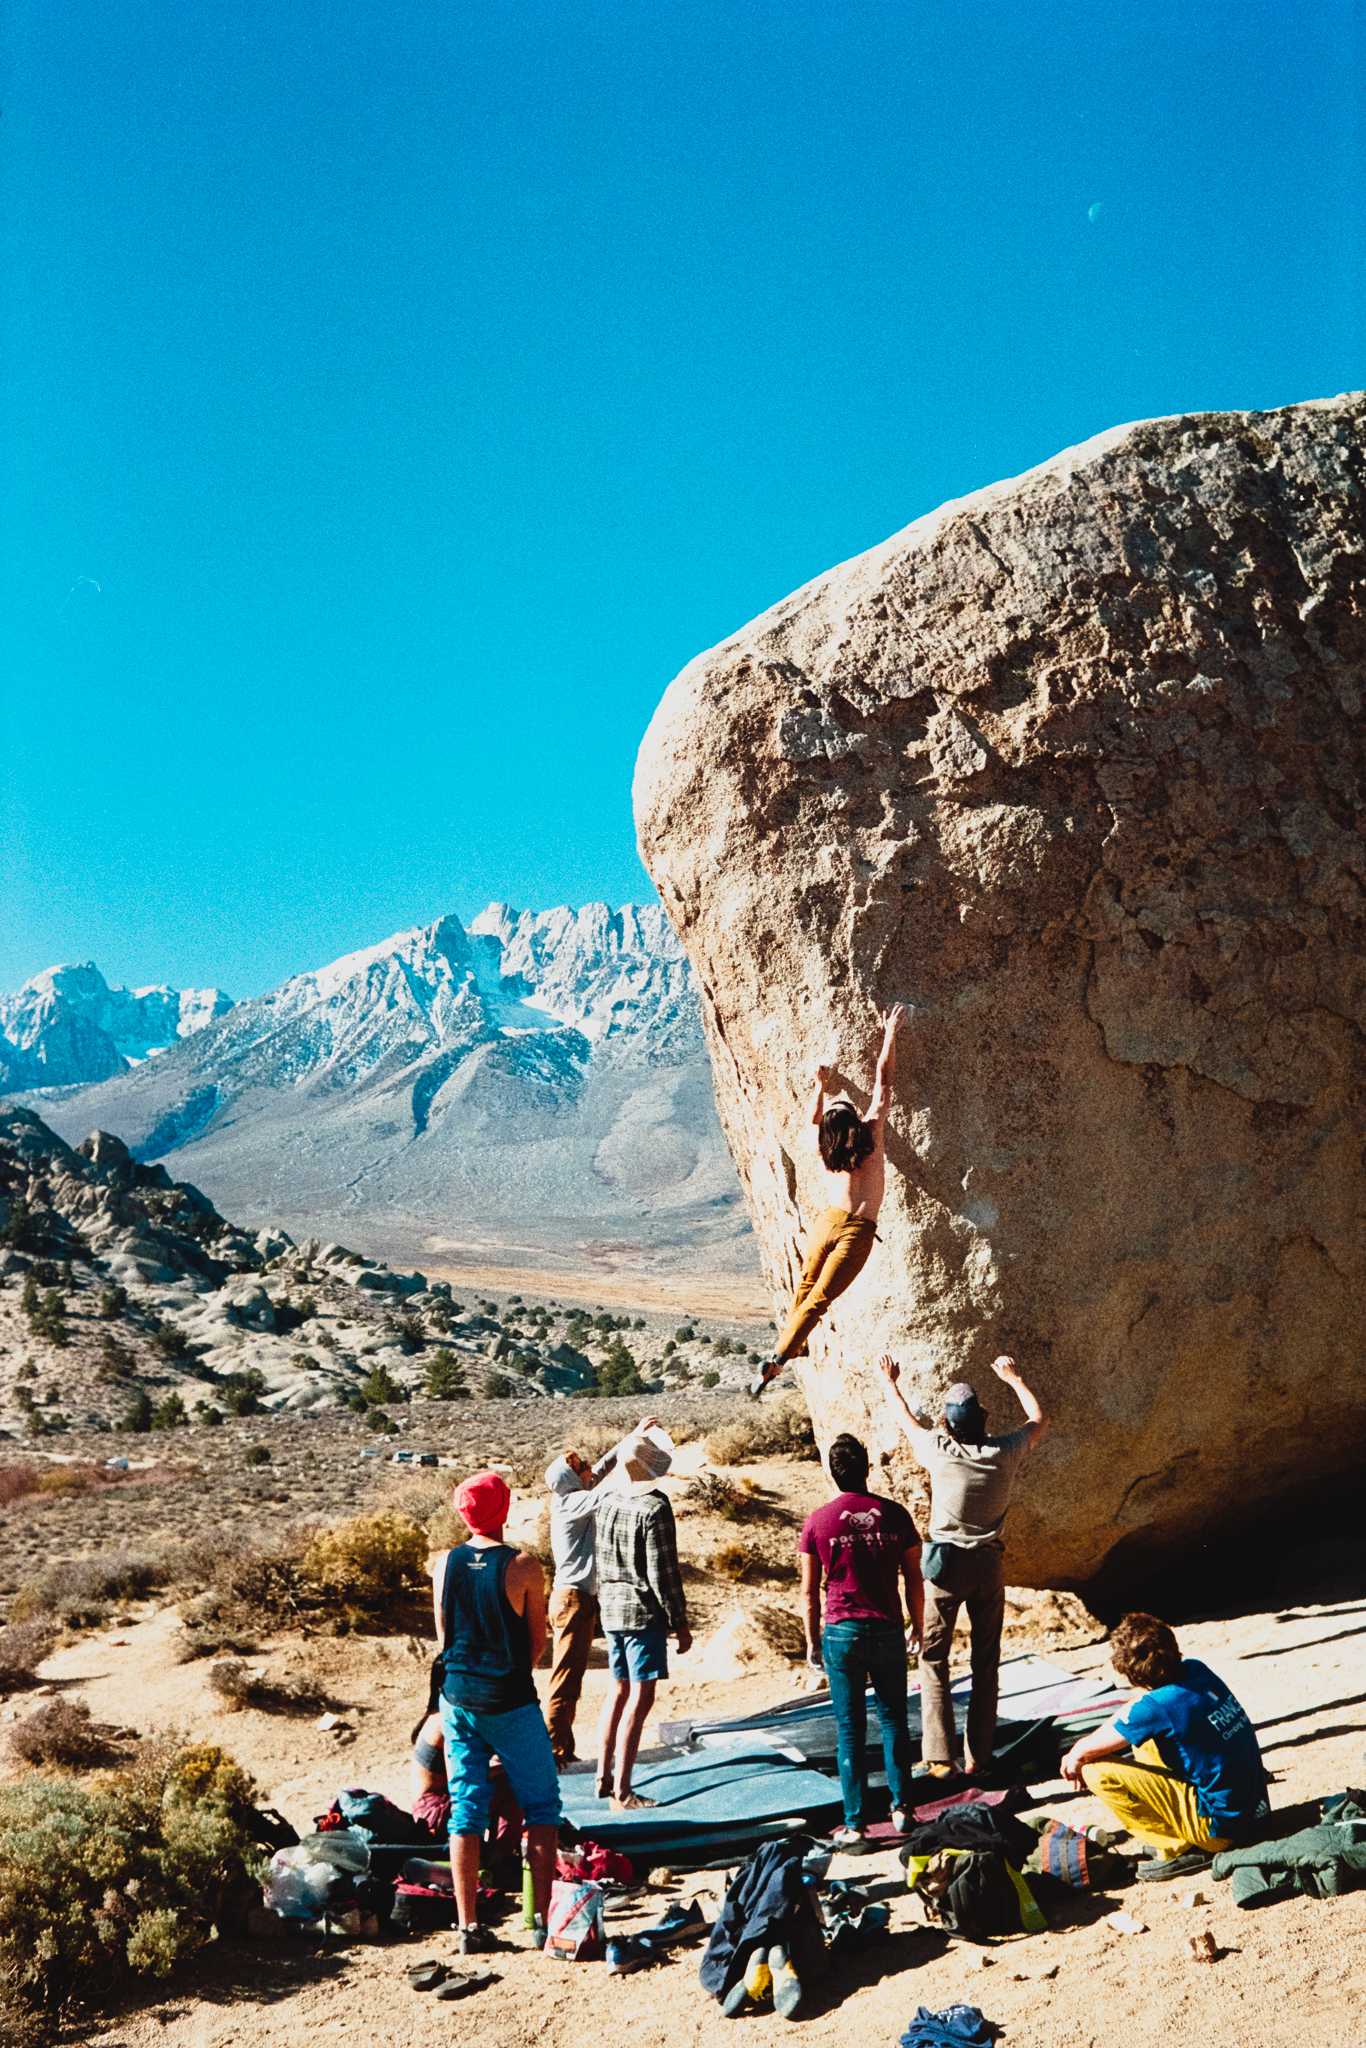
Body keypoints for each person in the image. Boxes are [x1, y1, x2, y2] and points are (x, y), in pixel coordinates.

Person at [880, 1350, 1047, 1778]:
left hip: (946, 1566)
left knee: (934, 1658)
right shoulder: (1003, 1452)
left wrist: (890, 1381)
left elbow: (904, 1419)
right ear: (983, 1419)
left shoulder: (938, 1449)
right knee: (985, 1660)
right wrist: (1014, 1378)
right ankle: (980, 1757)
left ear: (949, 1424)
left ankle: (939, 1757)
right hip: (988, 1565)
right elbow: (1038, 1418)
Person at [431, 1469, 562, 1952]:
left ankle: (467, 1926)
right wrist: (509, 1677)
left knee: (465, 1809)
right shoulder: (523, 1566)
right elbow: (535, 1641)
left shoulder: (445, 1564)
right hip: (508, 1700)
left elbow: (445, 1637)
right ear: (503, 1510)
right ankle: (543, 1923)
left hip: (458, 1697)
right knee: (541, 1807)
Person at [750, 1003, 906, 1399]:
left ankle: (793, 1344)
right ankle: (778, 1359)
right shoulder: (870, 1135)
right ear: (854, 1121)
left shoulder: (827, 1150)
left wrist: (820, 1086)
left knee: (806, 1288)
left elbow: (813, 1120)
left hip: (828, 1222)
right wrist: (890, 1033)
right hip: (856, 1231)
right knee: (818, 1300)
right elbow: (883, 1086)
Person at [1060, 1612, 1270, 1881]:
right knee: (1144, 1743)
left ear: (1131, 1674)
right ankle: (1187, 1833)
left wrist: (1078, 1752)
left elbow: (1095, 1745)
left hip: (1223, 1831)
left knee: (1095, 1770)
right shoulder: (1196, 1670)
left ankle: (1178, 1848)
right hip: (1256, 1813)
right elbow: (1136, 1709)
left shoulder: (1158, 1706)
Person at [798, 1431, 923, 1846]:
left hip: (842, 1630)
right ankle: (902, 1808)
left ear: (833, 1473)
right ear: (867, 1469)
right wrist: (918, 1625)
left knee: (849, 1729)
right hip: (886, 1626)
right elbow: (914, 1579)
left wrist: (811, 1640)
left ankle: (855, 1823)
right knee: (893, 1722)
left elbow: (808, 1590)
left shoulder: (818, 1522)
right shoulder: (895, 1516)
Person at [543, 1416, 655, 1767]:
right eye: (580, 1467)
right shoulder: (570, 1502)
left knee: (570, 1676)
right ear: (570, 1479)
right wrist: (634, 1459)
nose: (588, 1468)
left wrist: (630, 1438)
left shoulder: (572, 1497)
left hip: (576, 1597)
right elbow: (607, 1487)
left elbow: (602, 1472)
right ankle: (555, 1751)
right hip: (574, 1599)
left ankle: (561, 1748)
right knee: (566, 1679)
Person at [594, 1429, 691, 1809]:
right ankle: (623, 1789)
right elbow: (662, 1572)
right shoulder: (654, 1507)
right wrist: (679, 1621)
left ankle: (603, 1776)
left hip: (611, 1608)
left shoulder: (607, 1501)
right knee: (640, 1695)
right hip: (641, 1611)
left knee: (617, 1691)